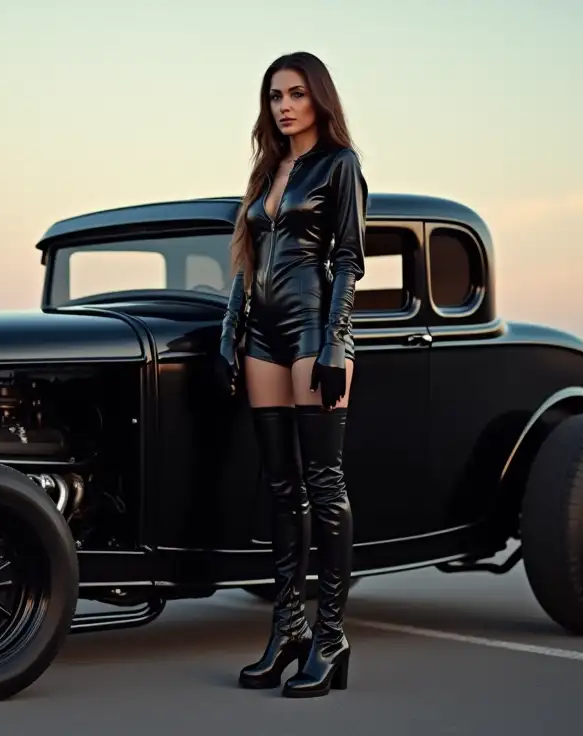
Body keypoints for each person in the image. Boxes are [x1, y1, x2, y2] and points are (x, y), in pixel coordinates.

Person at [216, 51, 367, 698]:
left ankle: (331, 637)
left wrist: (334, 343)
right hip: (264, 339)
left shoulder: (341, 166)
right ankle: (288, 632)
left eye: (297, 93)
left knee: (323, 484)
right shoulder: (266, 172)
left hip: (314, 333)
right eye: (275, 94)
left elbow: (349, 260)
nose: (284, 105)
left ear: (319, 100)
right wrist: (231, 332)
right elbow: (245, 262)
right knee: (281, 489)